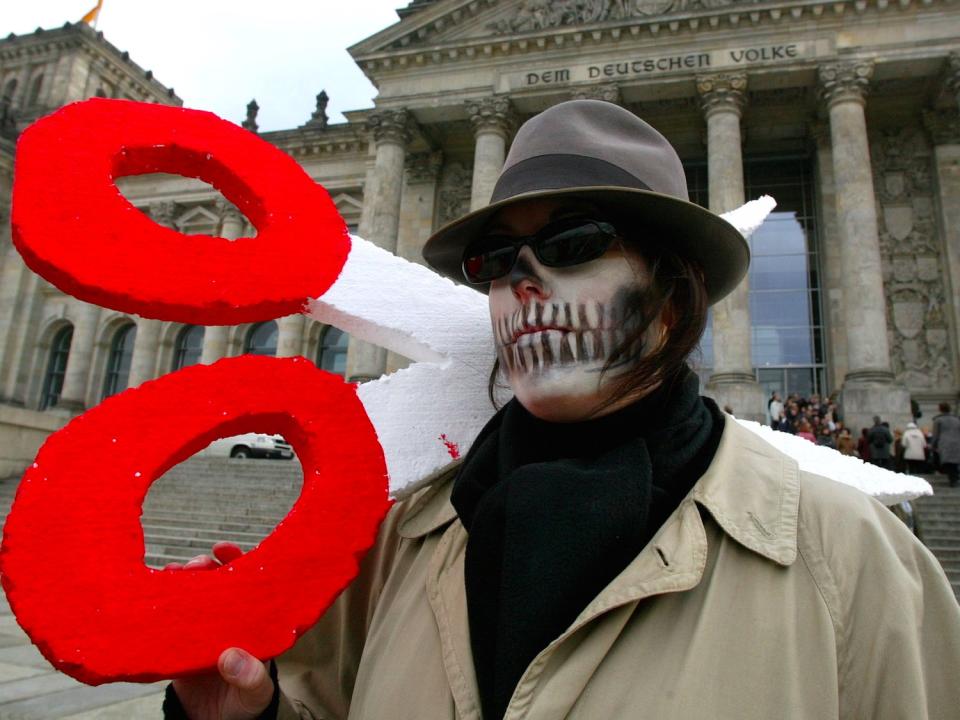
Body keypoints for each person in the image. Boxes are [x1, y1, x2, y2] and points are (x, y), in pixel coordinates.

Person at [164, 100, 960, 720]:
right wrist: (251, 713)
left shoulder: (851, 561)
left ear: (673, 303)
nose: (525, 282)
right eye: (496, 261)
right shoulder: (392, 546)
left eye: (575, 243)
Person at [933, 402, 960, 487]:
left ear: (940, 409)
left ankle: (953, 479)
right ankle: (954, 478)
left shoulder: (938, 420)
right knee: (954, 462)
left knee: (947, 462)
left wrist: (933, 444)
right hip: (957, 442)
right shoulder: (957, 420)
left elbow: (936, 434)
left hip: (944, 443)